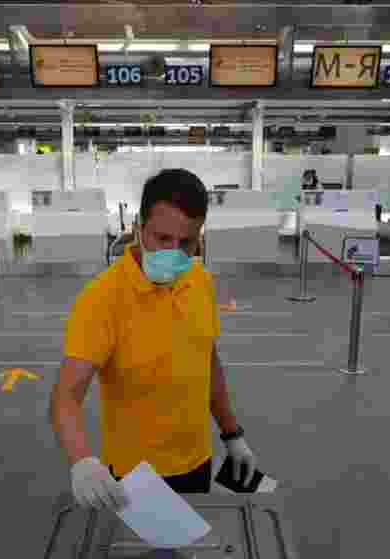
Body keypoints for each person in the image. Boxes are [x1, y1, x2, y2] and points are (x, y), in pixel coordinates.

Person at [50, 168, 259, 510]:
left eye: (187, 243)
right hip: (136, 476)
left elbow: (207, 359)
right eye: (162, 239)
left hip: (197, 461)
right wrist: (82, 462)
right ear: (138, 228)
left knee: (192, 558)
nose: (174, 253)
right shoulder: (102, 299)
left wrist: (232, 434)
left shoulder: (199, 280)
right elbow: (65, 398)